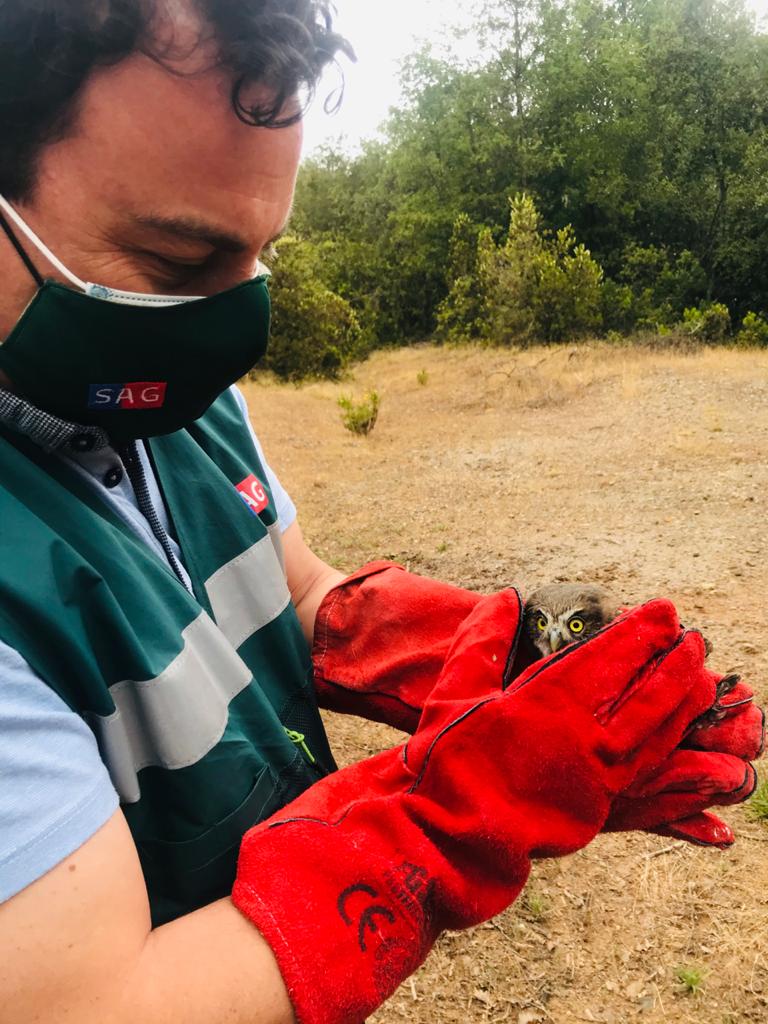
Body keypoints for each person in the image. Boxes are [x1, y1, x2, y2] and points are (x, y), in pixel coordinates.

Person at [0, 4, 763, 1023]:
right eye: (181, 267)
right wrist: (452, 817)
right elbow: (99, 1005)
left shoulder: (164, 385)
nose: (233, 333)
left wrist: (479, 663)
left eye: (258, 261)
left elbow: (294, 584)